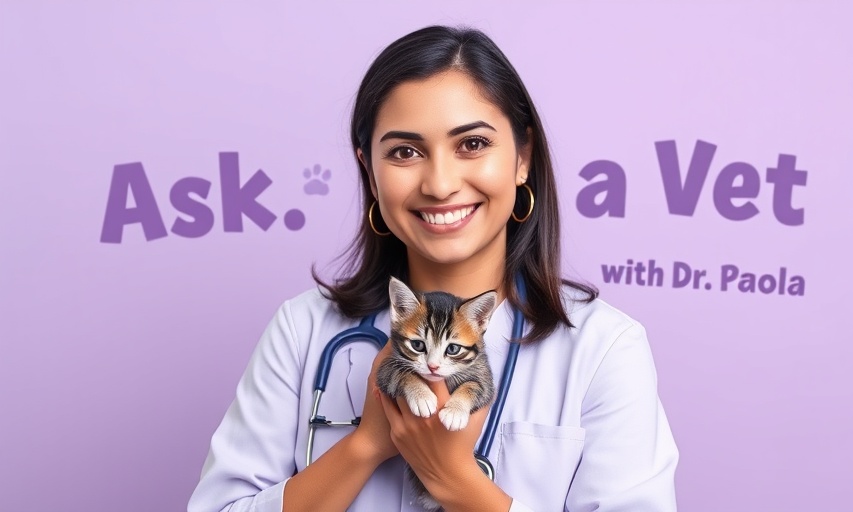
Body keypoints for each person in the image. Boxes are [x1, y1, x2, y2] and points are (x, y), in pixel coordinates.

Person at [188, 25, 678, 512]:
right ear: (370, 173)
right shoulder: (302, 331)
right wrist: (365, 446)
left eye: (472, 145)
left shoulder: (603, 348)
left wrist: (455, 481)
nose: (441, 184)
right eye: (405, 152)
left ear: (523, 157)